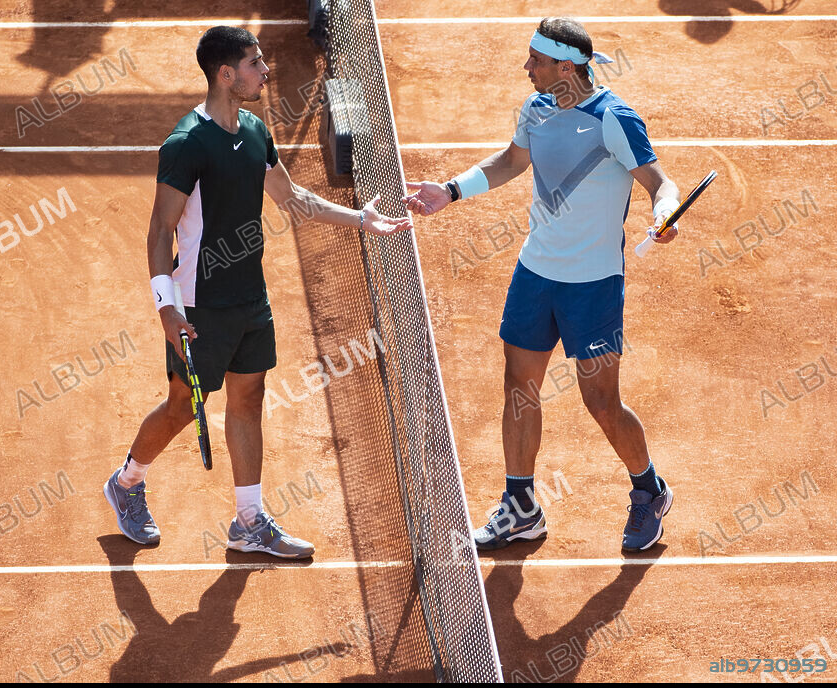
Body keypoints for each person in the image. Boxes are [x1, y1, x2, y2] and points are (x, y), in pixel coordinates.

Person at [104, 26, 411, 558]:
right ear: (226, 75)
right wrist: (166, 309)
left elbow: (291, 198)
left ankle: (249, 521)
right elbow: (160, 231)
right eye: (254, 63)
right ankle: (127, 482)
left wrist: (361, 219)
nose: (265, 70)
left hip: (250, 297)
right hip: (198, 302)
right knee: (181, 407)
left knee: (249, 399)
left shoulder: (254, 130)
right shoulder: (185, 146)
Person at [404, 17, 680, 553]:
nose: (526, 67)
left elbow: (659, 182)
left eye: (535, 59)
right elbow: (511, 161)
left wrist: (666, 210)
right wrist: (451, 190)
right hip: (536, 274)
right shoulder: (536, 111)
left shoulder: (614, 119)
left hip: (593, 285)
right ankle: (521, 506)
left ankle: (649, 490)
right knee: (519, 385)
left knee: (600, 401)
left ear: (565, 66)